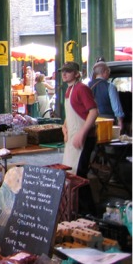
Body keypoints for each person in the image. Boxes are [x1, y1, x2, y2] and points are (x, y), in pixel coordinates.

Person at [60, 61, 99, 212]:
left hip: (84, 138)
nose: (64, 74)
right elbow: (72, 113)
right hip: (73, 137)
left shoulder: (81, 88)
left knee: (79, 176)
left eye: (68, 71)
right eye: (63, 71)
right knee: (72, 174)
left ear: (77, 74)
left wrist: (82, 134)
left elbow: (93, 112)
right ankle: (78, 210)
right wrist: (65, 127)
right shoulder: (69, 90)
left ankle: (89, 212)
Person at [89, 61, 125, 132]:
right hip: (107, 120)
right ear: (105, 72)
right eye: (108, 71)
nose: (109, 73)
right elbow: (116, 106)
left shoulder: (87, 86)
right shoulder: (110, 86)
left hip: (90, 120)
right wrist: (120, 121)